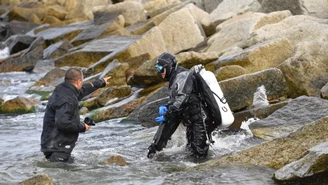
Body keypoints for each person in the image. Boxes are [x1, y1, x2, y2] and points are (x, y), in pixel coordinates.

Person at [147, 52, 217, 159]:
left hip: (199, 121)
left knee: (199, 155)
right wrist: (166, 106)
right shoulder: (175, 78)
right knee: (190, 151)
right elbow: (176, 99)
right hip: (190, 121)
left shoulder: (182, 76)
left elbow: (181, 100)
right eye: (157, 69)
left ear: (169, 67)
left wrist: (167, 115)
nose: (159, 72)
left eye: (161, 69)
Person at [41, 68, 111, 163]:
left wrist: (100, 82)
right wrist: (82, 127)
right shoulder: (67, 100)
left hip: (51, 145)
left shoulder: (62, 89)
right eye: (81, 82)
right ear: (78, 82)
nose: (82, 84)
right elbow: (62, 123)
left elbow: (83, 90)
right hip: (57, 149)